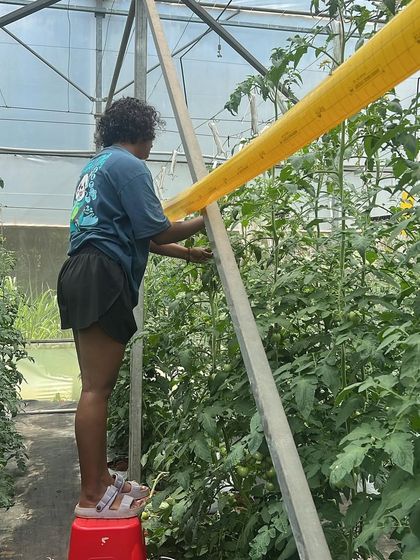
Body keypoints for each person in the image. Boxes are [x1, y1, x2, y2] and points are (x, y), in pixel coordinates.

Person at [57, 97, 212, 519]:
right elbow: (157, 226)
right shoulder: (129, 165)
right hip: (102, 274)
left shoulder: (97, 167)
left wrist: (186, 253)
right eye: (151, 139)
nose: (151, 148)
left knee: (94, 386)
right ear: (142, 133)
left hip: (82, 271)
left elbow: (141, 236)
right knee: (96, 389)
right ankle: (92, 495)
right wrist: (210, 214)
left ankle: (102, 481)